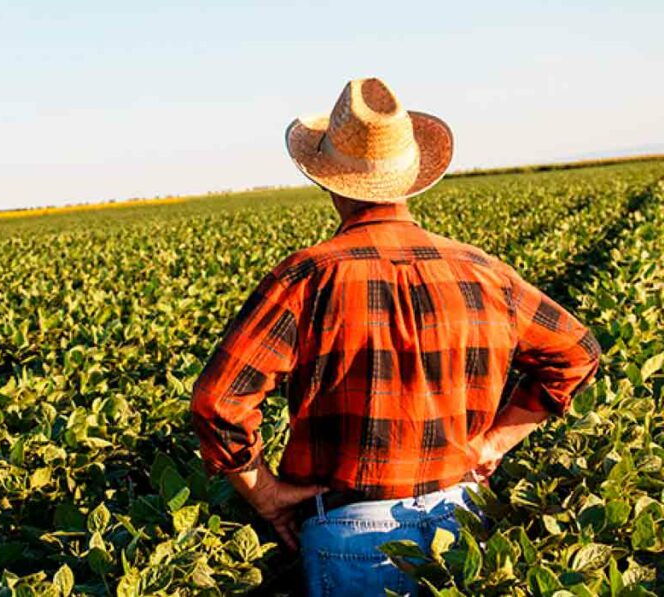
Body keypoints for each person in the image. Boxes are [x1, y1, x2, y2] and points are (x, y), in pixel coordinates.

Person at [189, 77, 601, 596]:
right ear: (410, 179)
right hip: (462, 520)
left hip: (350, 530)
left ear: (331, 183)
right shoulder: (482, 271)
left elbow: (218, 402)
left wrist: (265, 493)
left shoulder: (307, 277)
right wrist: (493, 442)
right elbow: (578, 353)